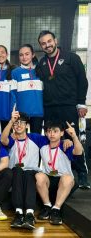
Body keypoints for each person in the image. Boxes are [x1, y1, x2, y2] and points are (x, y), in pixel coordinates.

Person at [36, 30, 89, 189]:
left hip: (68, 107)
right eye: (43, 43)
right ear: (41, 46)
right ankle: (54, 170)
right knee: (52, 139)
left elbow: (82, 80)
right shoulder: (41, 64)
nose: (47, 45)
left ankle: (82, 174)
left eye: (49, 41)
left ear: (55, 41)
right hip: (49, 108)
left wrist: (81, 103)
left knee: (74, 139)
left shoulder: (72, 58)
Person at [0, 108, 47, 229]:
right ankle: (19, 213)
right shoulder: (11, 139)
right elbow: (3, 139)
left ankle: (30, 214)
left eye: (22, 122)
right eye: (16, 123)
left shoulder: (36, 138)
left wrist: (66, 140)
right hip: (15, 174)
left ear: (27, 125)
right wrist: (11, 121)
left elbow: (54, 140)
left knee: (29, 173)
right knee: (18, 170)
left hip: (30, 173)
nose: (19, 125)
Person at [36, 120, 83, 225]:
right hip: (49, 180)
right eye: (49, 131)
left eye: (55, 131)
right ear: (46, 133)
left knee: (68, 178)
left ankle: (56, 209)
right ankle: (47, 206)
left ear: (62, 133)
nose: (52, 134)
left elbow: (79, 152)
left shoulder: (65, 145)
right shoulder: (43, 143)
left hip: (64, 182)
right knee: (39, 176)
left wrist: (74, 136)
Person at [11, 44, 43, 134]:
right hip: (21, 114)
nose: (24, 57)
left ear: (33, 55)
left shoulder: (41, 70)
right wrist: (14, 111)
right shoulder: (15, 72)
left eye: (27, 54)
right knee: (21, 143)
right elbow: (13, 94)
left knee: (36, 141)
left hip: (38, 113)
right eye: (21, 55)